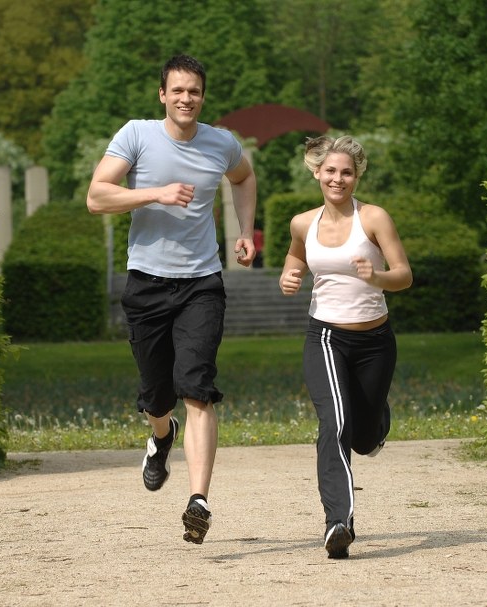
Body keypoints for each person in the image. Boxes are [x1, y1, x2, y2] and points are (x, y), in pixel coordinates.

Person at [87, 54, 257, 545]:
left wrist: (245, 230)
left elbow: (244, 178)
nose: (187, 99)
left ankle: (198, 500)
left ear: (204, 97)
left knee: (197, 387)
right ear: (163, 95)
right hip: (147, 283)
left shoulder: (222, 142)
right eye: (178, 90)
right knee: (156, 395)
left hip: (202, 282)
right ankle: (161, 436)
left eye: (195, 91)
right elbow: (97, 196)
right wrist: (154, 194)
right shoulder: (137, 135)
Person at [279, 135, 412, 559]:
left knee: (364, 436)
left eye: (347, 172)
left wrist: (376, 277)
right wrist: (290, 276)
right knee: (333, 423)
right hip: (325, 337)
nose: (338, 178)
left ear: (357, 176)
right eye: (331, 171)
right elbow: (297, 257)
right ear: (317, 172)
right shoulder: (303, 222)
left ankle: (374, 420)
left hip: (374, 341)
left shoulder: (374, 218)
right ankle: (339, 521)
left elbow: (404, 274)